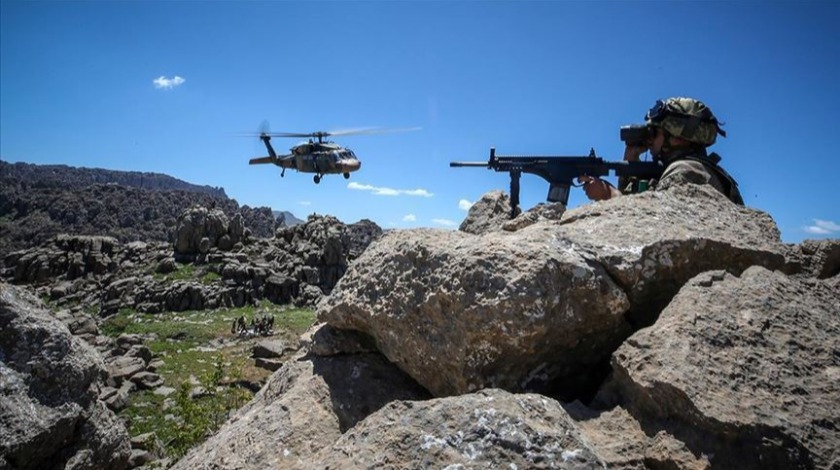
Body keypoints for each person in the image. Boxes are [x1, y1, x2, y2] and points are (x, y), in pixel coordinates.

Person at [579, 97, 744, 205]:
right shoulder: (692, 168)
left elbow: (653, 224)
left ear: (678, 138)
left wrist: (609, 194)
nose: (649, 140)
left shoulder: (687, 171)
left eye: (655, 133)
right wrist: (630, 160)